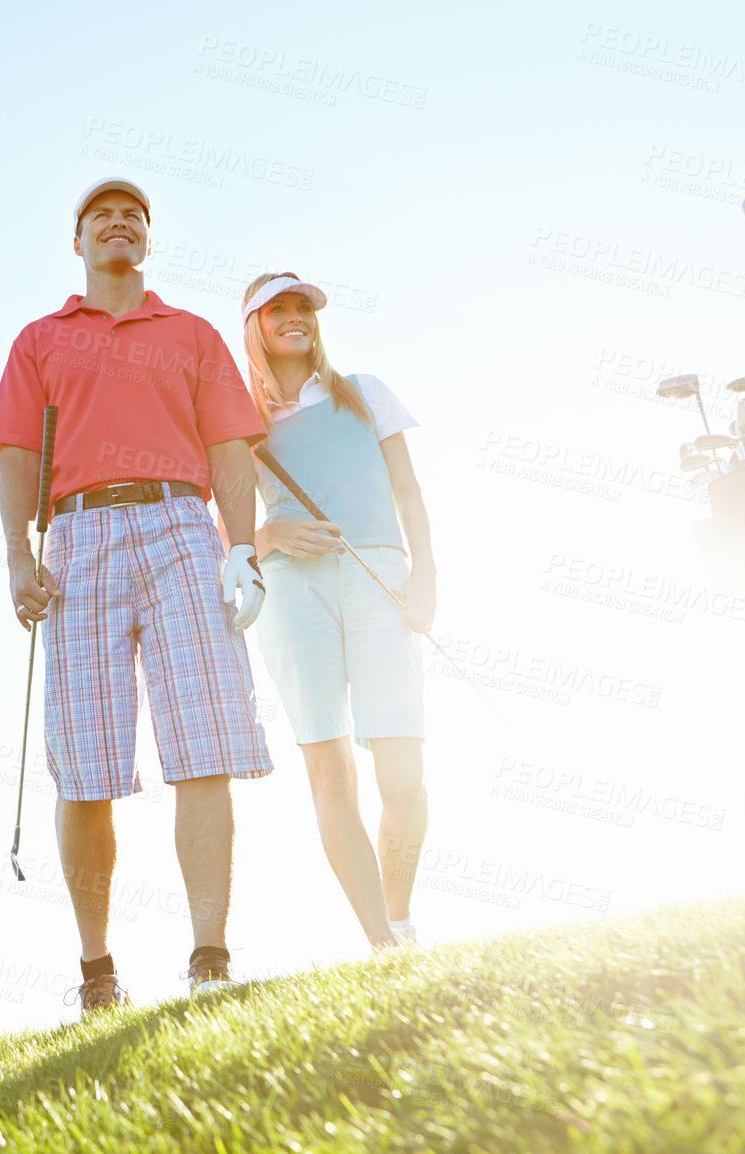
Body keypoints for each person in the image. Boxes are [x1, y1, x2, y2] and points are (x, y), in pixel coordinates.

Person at [0, 178, 275, 1014]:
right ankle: (98, 971)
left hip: (183, 527)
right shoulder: (40, 339)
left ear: (147, 242)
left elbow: (229, 448)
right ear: (77, 243)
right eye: (102, 217)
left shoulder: (190, 333)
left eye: (134, 218)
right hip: (77, 538)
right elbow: (15, 457)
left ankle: (210, 957)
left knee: (206, 742)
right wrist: (16, 556)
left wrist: (244, 549)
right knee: (85, 769)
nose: (119, 224)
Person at [238, 271, 436, 951]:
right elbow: (218, 523)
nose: (296, 318)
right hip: (295, 590)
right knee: (330, 772)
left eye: (303, 308)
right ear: (255, 326)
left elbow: (408, 491)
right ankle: (382, 943)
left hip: (377, 571)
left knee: (403, 772)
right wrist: (268, 538)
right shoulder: (239, 421)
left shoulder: (364, 392)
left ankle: (399, 914)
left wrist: (426, 574)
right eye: (279, 310)